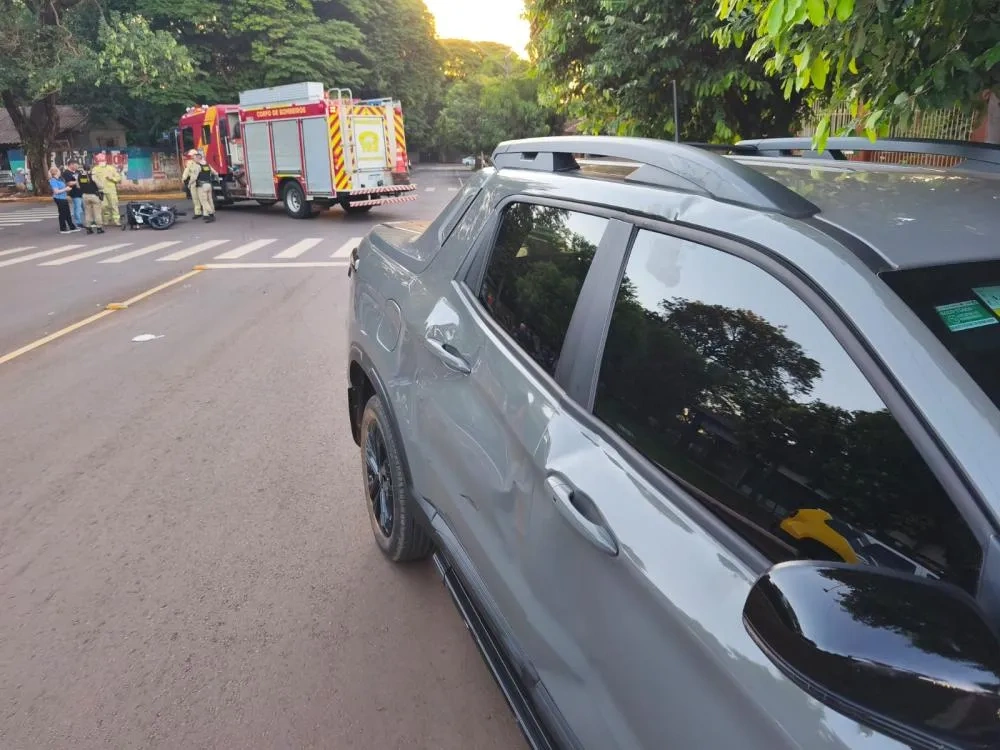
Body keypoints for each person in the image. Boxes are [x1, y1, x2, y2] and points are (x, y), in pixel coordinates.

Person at [92, 152, 124, 226]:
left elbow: (118, 178)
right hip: (101, 191)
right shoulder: (95, 169)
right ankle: (106, 221)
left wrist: (111, 178)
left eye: (102, 159)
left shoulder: (111, 168)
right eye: (99, 159)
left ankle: (117, 221)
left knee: (114, 206)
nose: (100, 161)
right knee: (104, 207)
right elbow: (93, 179)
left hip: (111, 190)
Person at [185, 151, 218, 223]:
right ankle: (211, 212)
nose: (194, 159)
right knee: (210, 200)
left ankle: (211, 214)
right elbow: (215, 173)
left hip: (202, 186)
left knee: (204, 201)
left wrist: (189, 184)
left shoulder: (198, 166)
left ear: (198, 158)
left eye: (195, 158)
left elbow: (194, 178)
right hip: (209, 185)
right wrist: (217, 179)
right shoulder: (207, 165)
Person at [48, 166, 79, 234]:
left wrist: (67, 188)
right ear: (56, 172)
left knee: (67, 213)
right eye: (59, 171)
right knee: (62, 213)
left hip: (63, 197)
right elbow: (56, 191)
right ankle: (63, 228)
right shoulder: (53, 180)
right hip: (59, 198)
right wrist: (66, 189)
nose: (60, 172)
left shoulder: (59, 179)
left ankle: (72, 227)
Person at [76, 165, 105, 234]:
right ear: (90, 169)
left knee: (87, 213)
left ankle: (88, 228)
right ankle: (99, 228)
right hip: (94, 195)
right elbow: (100, 186)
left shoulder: (79, 176)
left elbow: (78, 186)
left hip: (85, 196)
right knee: (97, 213)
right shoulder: (92, 176)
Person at [180, 149, 203, 218]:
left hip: (200, 182)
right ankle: (198, 212)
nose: (192, 157)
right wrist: (184, 179)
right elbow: (186, 171)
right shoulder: (190, 163)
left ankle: (206, 213)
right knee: (195, 198)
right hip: (193, 183)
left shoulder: (201, 162)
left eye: (192, 156)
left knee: (202, 199)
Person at [62, 160, 83, 229]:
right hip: (74, 193)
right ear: (71, 165)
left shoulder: (78, 172)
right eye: (76, 165)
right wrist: (77, 181)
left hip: (82, 192)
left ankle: (90, 221)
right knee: (77, 208)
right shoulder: (66, 173)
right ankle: (78, 222)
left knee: (85, 208)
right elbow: (68, 183)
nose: (77, 167)